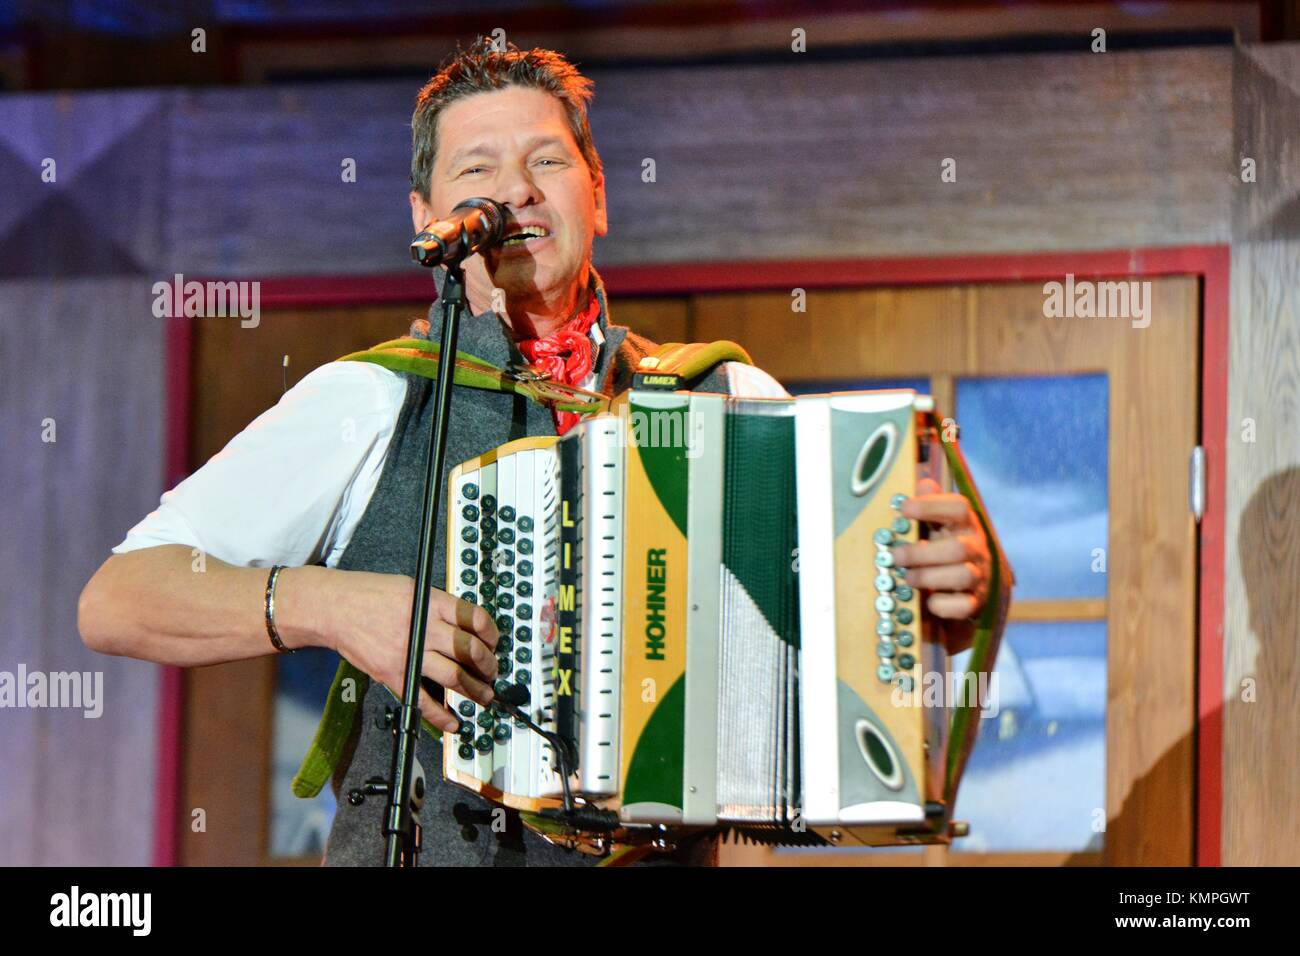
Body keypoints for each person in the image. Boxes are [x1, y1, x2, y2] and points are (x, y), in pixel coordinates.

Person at [78, 38, 1001, 866]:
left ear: (597, 191)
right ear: (426, 214)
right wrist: (331, 605)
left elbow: (851, 627)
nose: (515, 190)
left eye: (547, 161)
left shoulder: (730, 400)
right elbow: (118, 599)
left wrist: (939, 590)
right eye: (477, 167)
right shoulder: (369, 399)